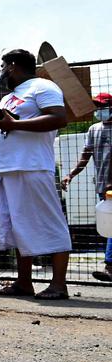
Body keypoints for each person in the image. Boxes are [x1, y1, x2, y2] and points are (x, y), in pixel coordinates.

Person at [0, 49, 72, 299]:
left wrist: (14, 125)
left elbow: (58, 118)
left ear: (13, 65)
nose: (0, 71)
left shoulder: (42, 87)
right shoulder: (10, 97)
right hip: (8, 170)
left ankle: (59, 285)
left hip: (32, 167)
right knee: (18, 226)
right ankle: (24, 282)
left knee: (50, 223)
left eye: (2, 66)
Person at [62, 93, 112, 282]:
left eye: (102, 106)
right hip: (103, 187)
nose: (100, 110)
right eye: (97, 107)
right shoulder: (94, 129)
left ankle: (110, 265)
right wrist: (71, 174)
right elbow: (85, 155)